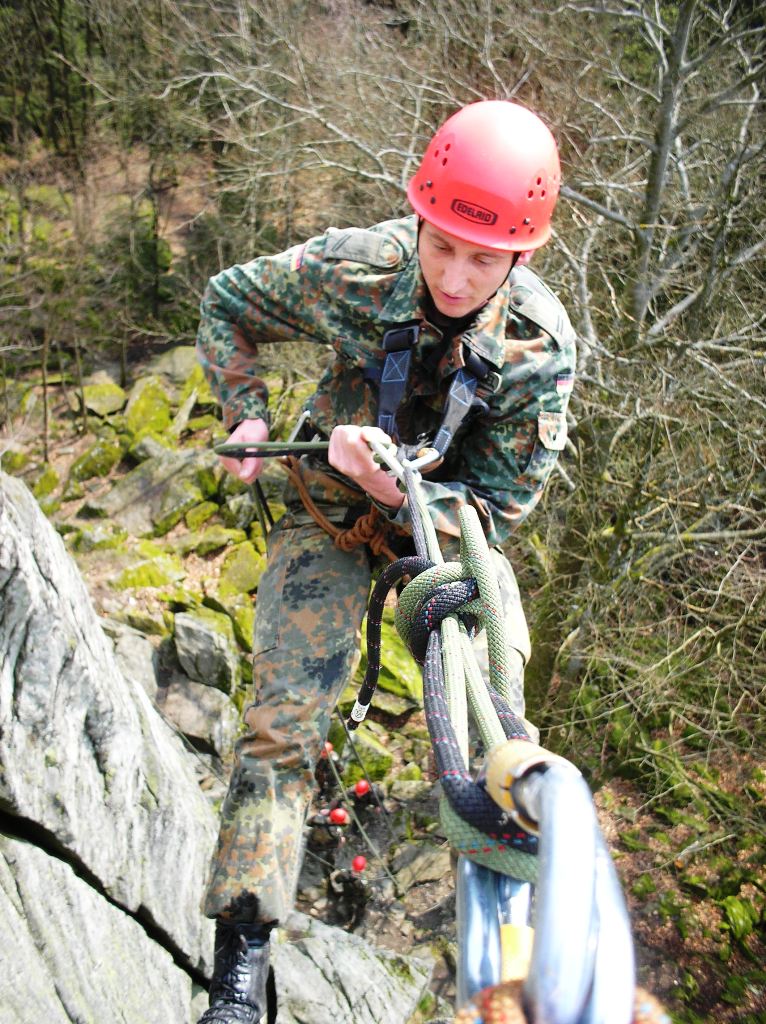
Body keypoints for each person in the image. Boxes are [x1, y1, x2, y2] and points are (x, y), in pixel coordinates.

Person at [195, 99, 576, 1023]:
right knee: (284, 720)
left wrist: (401, 491)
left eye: (482, 259)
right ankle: (240, 964)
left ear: (523, 255)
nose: (453, 276)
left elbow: (498, 511)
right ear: (418, 221)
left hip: (442, 541)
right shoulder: (358, 271)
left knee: (496, 727)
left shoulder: (536, 351)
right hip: (326, 515)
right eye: (440, 245)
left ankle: (516, 952)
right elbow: (227, 302)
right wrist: (245, 411)